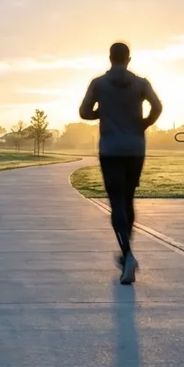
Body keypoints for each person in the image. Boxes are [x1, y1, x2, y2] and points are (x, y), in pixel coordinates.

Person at [78, 42, 162, 284]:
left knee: (116, 203)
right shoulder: (141, 83)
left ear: (109, 57)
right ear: (129, 58)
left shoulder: (99, 84)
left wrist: (102, 112)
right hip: (135, 149)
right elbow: (158, 107)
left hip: (111, 149)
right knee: (128, 199)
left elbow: (84, 112)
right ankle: (127, 255)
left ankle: (127, 255)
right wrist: (143, 123)